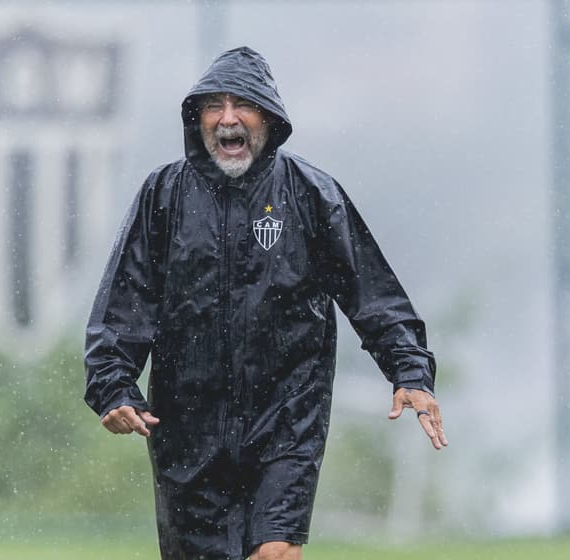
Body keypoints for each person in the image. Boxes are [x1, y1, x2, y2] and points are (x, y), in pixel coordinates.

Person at [84, 46, 447, 560]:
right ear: (198, 119)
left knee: (275, 553)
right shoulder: (163, 194)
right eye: (214, 106)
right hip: (187, 429)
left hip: (287, 421)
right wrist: (113, 385)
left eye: (242, 105)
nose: (227, 119)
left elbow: (372, 293)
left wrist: (409, 371)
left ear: (268, 119)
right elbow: (125, 302)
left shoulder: (312, 194)